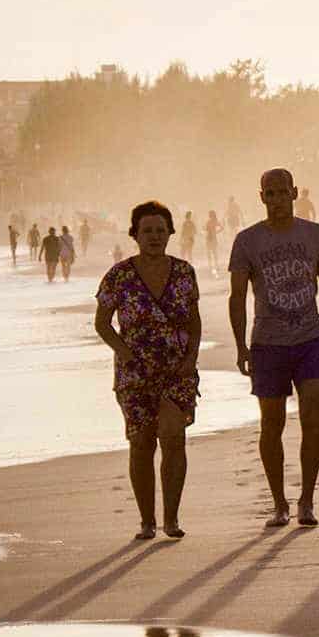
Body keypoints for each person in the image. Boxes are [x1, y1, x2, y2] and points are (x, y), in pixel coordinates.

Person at [228, 168, 319, 527]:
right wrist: (240, 347)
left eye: (283, 192)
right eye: (270, 193)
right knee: (272, 425)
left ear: (294, 193)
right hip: (267, 344)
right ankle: (278, 503)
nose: (277, 199)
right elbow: (236, 298)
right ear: (261, 196)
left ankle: (306, 501)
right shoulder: (247, 241)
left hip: (310, 340)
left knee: (313, 421)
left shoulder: (316, 235)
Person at [95, 201, 201, 540]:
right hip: (134, 372)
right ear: (135, 235)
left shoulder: (184, 272)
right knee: (141, 443)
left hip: (176, 369)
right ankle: (146, 521)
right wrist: (126, 354)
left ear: (170, 232)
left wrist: (190, 360)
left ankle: (171, 519)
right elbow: (102, 324)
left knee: (173, 438)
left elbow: (195, 322)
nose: (154, 236)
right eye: (147, 231)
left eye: (160, 230)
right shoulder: (119, 275)